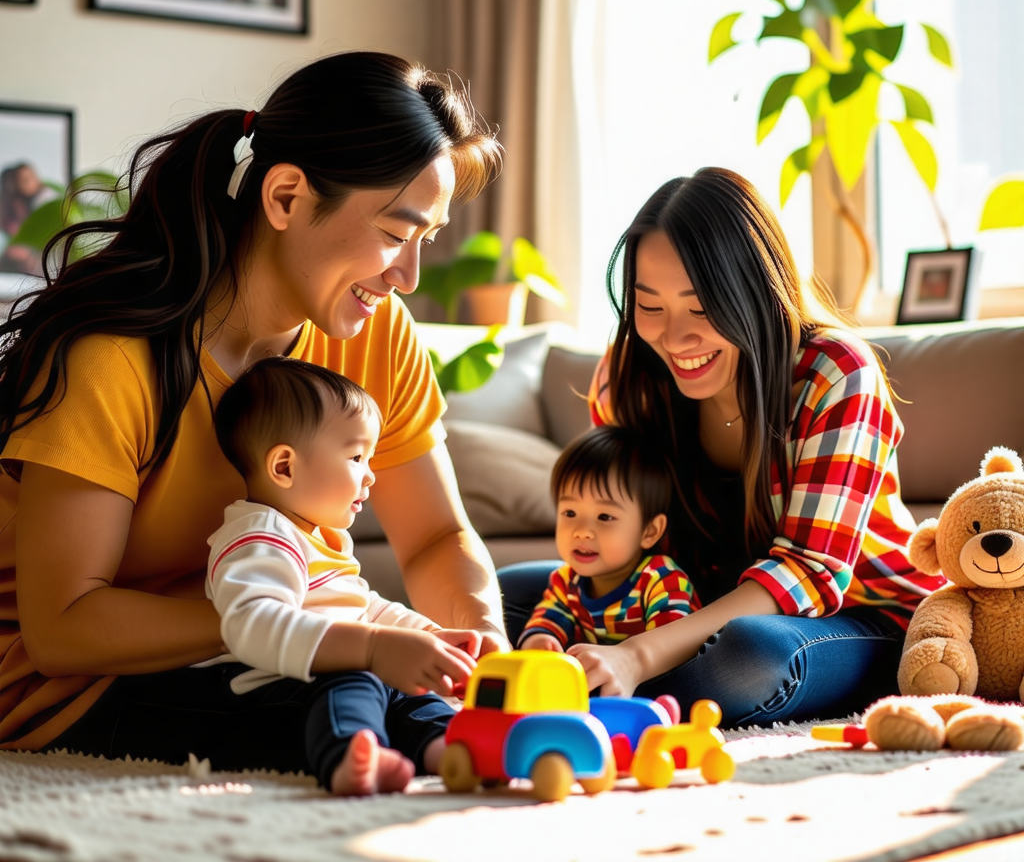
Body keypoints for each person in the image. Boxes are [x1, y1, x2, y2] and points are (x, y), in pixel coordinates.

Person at [0, 51, 507, 782]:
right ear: (286, 197)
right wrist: (312, 632)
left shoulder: (376, 332)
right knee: (349, 681)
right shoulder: (113, 358)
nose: (409, 277)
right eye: (397, 235)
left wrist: (480, 650)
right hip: (76, 689)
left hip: (266, 636)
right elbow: (63, 628)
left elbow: (433, 537)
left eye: (426, 241)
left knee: (513, 603)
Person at [499, 167, 948, 727]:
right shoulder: (626, 380)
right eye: (651, 306)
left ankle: (620, 687)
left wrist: (638, 652)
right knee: (513, 593)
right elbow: (632, 548)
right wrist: (561, 626)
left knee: (750, 656)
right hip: (692, 600)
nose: (675, 337)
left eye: (702, 305)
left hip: (859, 615)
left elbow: (809, 574)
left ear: (756, 292)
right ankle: (618, 688)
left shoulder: (833, 373)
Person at [209, 356, 478, 794]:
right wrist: (370, 648)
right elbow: (250, 624)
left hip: (337, 676)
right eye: (356, 456)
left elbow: (365, 606)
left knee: (411, 690)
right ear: (284, 467)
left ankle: (449, 748)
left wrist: (430, 636)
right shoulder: (259, 535)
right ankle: (352, 754)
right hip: (267, 692)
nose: (371, 476)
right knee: (354, 681)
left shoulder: (323, 537)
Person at [518, 425, 698, 652]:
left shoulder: (660, 579)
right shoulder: (567, 581)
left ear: (649, 531)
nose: (582, 531)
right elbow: (548, 618)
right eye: (569, 513)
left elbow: (671, 645)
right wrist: (541, 640)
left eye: (605, 516)